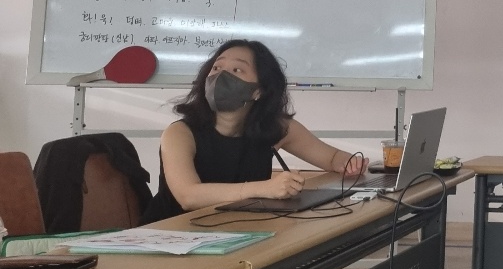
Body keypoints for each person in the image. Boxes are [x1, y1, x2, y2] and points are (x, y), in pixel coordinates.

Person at [141, 39, 366, 223]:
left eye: (237, 70)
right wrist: (265, 189)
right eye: (217, 68)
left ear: (258, 91)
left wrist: (348, 163)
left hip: (236, 231)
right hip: (170, 238)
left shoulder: (275, 128)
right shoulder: (180, 133)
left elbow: (333, 158)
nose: (221, 76)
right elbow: (188, 196)